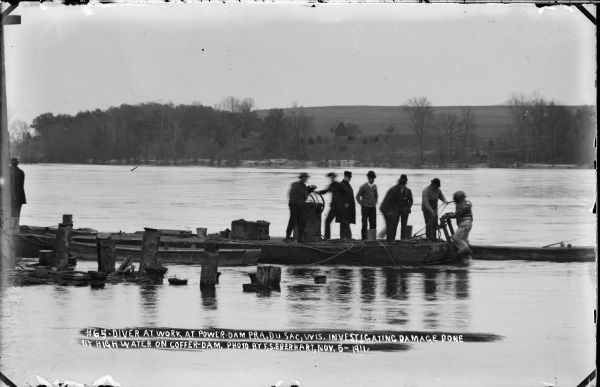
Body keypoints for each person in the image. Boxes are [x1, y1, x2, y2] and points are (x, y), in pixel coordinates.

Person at [318, 171, 355, 239]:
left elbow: (347, 193)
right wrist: (317, 192)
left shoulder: (339, 184)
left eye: (333, 177)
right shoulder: (331, 185)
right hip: (333, 207)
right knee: (327, 221)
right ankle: (327, 237)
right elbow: (325, 191)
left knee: (345, 223)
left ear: (334, 178)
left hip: (341, 208)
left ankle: (348, 237)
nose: (331, 179)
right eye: (330, 178)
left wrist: (346, 203)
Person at [380, 174, 413, 242]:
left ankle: (403, 239)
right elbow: (390, 202)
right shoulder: (393, 190)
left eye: (403, 185)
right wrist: (393, 211)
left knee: (404, 225)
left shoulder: (408, 190)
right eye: (401, 185)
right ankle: (392, 239)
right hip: (396, 210)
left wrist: (408, 207)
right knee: (394, 224)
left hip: (405, 210)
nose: (402, 186)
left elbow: (411, 201)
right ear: (399, 183)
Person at [285, 172, 312, 242]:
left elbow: (304, 195)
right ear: (302, 178)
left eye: (306, 177)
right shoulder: (296, 185)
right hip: (295, 205)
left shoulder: (302, 186)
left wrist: (309, 190)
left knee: (301, 222)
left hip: (300, 205)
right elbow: (295, 194)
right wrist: (308, 190)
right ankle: (288, 236)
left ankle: (300, 238)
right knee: (292, 221)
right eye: (305, 177)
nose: (306, 179)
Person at [446, 191, 473, 256]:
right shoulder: (467, 204)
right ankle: (465, 256)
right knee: (463, 240)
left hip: (464, 223)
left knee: (455, 238)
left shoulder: (461, 205)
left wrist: (449, 216)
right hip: (469, 223)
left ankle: (466, 250)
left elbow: (458, 214)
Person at [355, 170, 378, 240]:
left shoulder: (375, 187)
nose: (372, 179)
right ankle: (364, 238)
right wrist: (362, 203)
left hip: (373, 208)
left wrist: (374, 202)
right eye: (371, 178)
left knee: (373, 223)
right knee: (364, 224)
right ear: (368, 178)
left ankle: (372, 239)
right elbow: (357, 197)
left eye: (373, 178)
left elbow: (376, 196)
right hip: (365, 208)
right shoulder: (363, 187)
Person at [9, 157, 26, 231]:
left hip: (13, 196)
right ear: (17, 163)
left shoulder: (9, 172)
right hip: (20, 196)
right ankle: (16, 228)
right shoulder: (21, 172)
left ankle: (13, 229)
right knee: (17, 213)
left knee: (12, 213)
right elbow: (20, 185)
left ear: (11, 163)